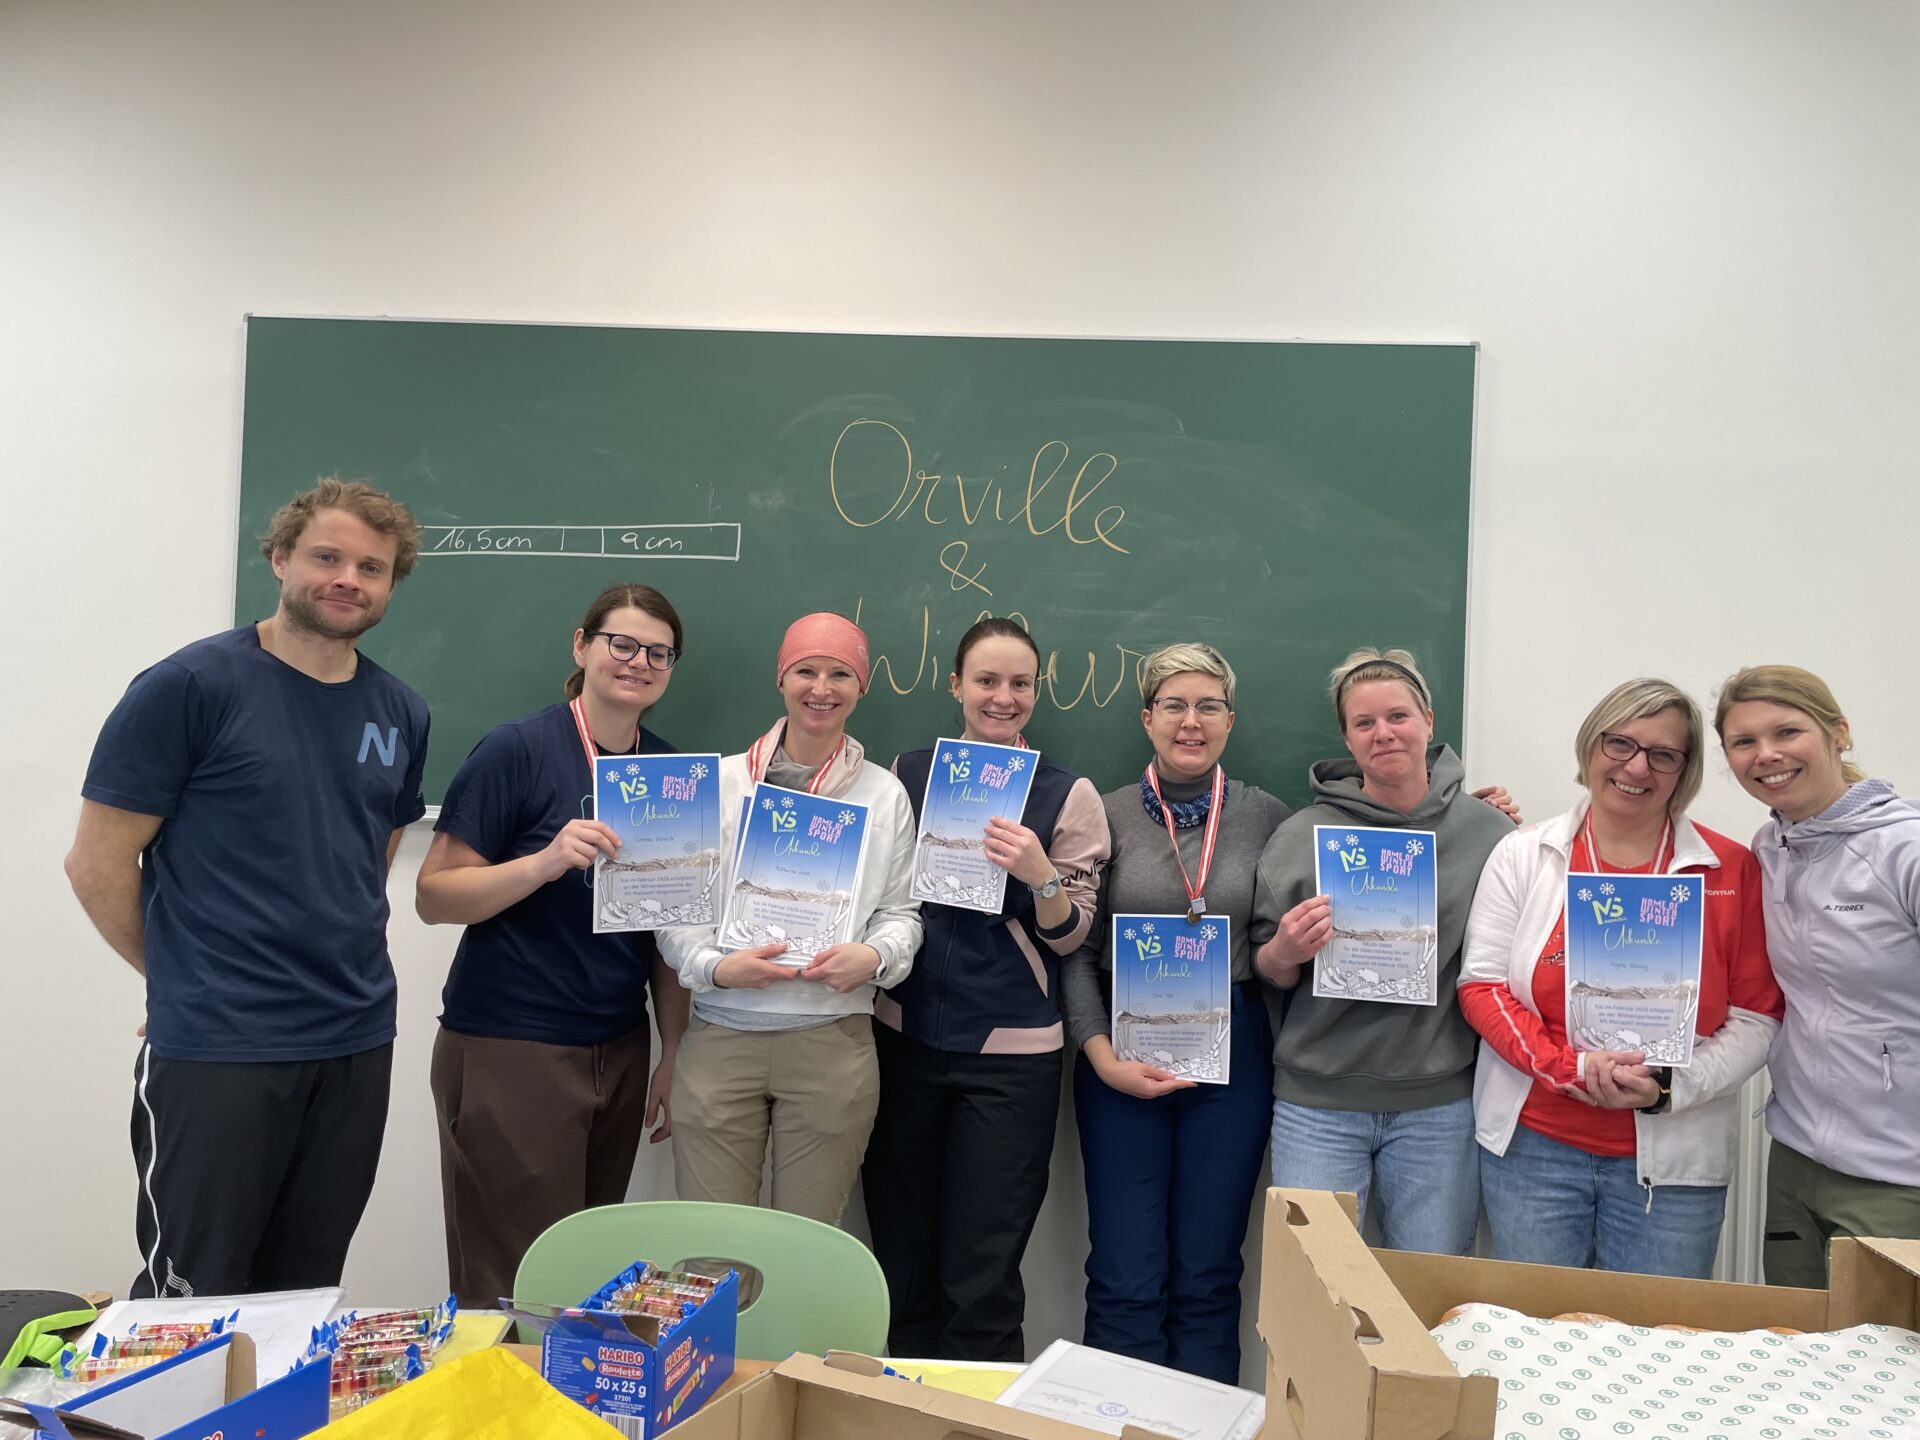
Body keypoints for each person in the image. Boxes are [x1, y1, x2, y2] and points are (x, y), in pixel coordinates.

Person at [64, 477, 428, 1298]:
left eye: (371, 568)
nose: (348, 580)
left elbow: (371, 849)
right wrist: (179, 978)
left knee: (303, 1291)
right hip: (221, 1048)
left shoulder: (400, 709)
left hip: (354, 1041)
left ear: (390, 585)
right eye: (327, 558)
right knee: (194, 1296)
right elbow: (95, 863)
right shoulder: (189, 687)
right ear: (280, 559)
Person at [416, 583, 692, 1307]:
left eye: (658, 653)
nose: (638, 662)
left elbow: (667, 934)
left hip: (619, 1047)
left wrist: (672, 1052)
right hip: (513, 1046)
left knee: (584, 1278)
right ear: (582, 645)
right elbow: (434, 895)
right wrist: (542, 862)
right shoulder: (517, 750)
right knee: (510, 1285)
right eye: (621, 643)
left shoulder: (668, 775)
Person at [1458, 679, 1782, 1277]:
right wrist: (1567, 1067)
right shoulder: (1523, 854)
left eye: (1663, 754)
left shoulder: (1730, 869)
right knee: (1535, 1328)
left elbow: (1757, 1016)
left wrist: (1669, 1088)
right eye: (1621, 744)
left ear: (1685, 770)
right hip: (1534, 1152)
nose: (1637, 767)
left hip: (1674, 1168)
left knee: (1658, 1332)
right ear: (1591, 746)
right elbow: (1482, 987)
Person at [865, 618, 1110, 1360]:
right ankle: (899, 1401)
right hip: (902, 1038)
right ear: (956, 685)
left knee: (984, 1267)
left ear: (1036, 692)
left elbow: (1072, 938)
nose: (1003, 697)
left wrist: (1041, 876)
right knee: (900, 1256)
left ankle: (979, 1407)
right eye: (987, 681)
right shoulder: (908, 774)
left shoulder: (1067, 794)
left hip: (1010, 1058)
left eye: (1020, 684)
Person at [1059, 642, 1289, 1384]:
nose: (1192, 722)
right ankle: (1113, 1425)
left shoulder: (1265, 817)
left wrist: (1478, 810)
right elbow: (1076, 950)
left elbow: (1349, 844)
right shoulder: (1103, 813)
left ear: (1230, 720)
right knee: (1124, 1272)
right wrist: (1100, 1057)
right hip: (1118, 1057)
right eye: (1174, 706)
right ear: (1147, 718)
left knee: (1208, 1273)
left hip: (1232, 1060)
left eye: (1208, 706)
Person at [658, 613, 922, 1223]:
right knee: (712, 1245)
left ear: (861, 687)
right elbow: (675, 909)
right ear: (781, 678)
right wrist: (715, 967)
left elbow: (902, 913)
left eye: (840, 674)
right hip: (721, 1037)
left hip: (833, 1043)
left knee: (808, 1243)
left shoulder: (884, 795)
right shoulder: (718, 784)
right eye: (806, 670)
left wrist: (875, 957)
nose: (821, 688)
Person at [1253, 647, 1515, 1256]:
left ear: (1428, 720)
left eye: (1398, 716)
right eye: (1364, 722)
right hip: (1318, 1106)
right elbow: (1265, 970)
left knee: (1428, 1289)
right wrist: (1285, 950)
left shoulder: (1490, 834)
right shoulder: (1301, 836)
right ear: (1347, 738)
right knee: (1314, 1287)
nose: (1384, 733)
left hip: (1439, 1106)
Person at [1715, 665, 1920, 1287]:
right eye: (1744, 741)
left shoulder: (1903, 850)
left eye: (1786, 732)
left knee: (1885, 1350)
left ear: (1839, 733)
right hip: (1796, 1159)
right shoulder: (1769, 848)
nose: (1766, 754)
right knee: (1794, 1338)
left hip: (1899, 1177)